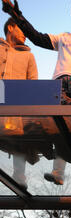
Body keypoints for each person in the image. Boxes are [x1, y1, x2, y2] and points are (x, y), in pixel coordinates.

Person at [2, 1, 71, 185]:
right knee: (60, 127)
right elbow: (36, 37)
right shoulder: (64, 37)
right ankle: (58, 172)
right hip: (59, 84)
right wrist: (16, 15)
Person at [0, 17, 38, 190]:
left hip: (16, 102)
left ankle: (19, 174)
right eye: (22, 29)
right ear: (10, 27)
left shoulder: (28, 55)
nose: (26, 34)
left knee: (18, 133)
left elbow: (33, 82)